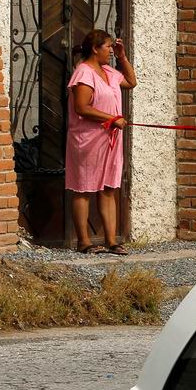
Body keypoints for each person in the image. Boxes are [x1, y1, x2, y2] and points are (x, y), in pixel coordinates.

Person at [65, 29, 137, 254]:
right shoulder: (84, 73)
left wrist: (122, 57)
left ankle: (111, 241)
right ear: (95, 49)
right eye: (108, 47)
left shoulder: (108, 71)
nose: (111, 51)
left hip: (110, 139)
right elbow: (81, 107)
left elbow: (131, 82)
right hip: (88, 139)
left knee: (108, 188)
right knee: (84, 188)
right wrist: (111, 118)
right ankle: (84, 242)